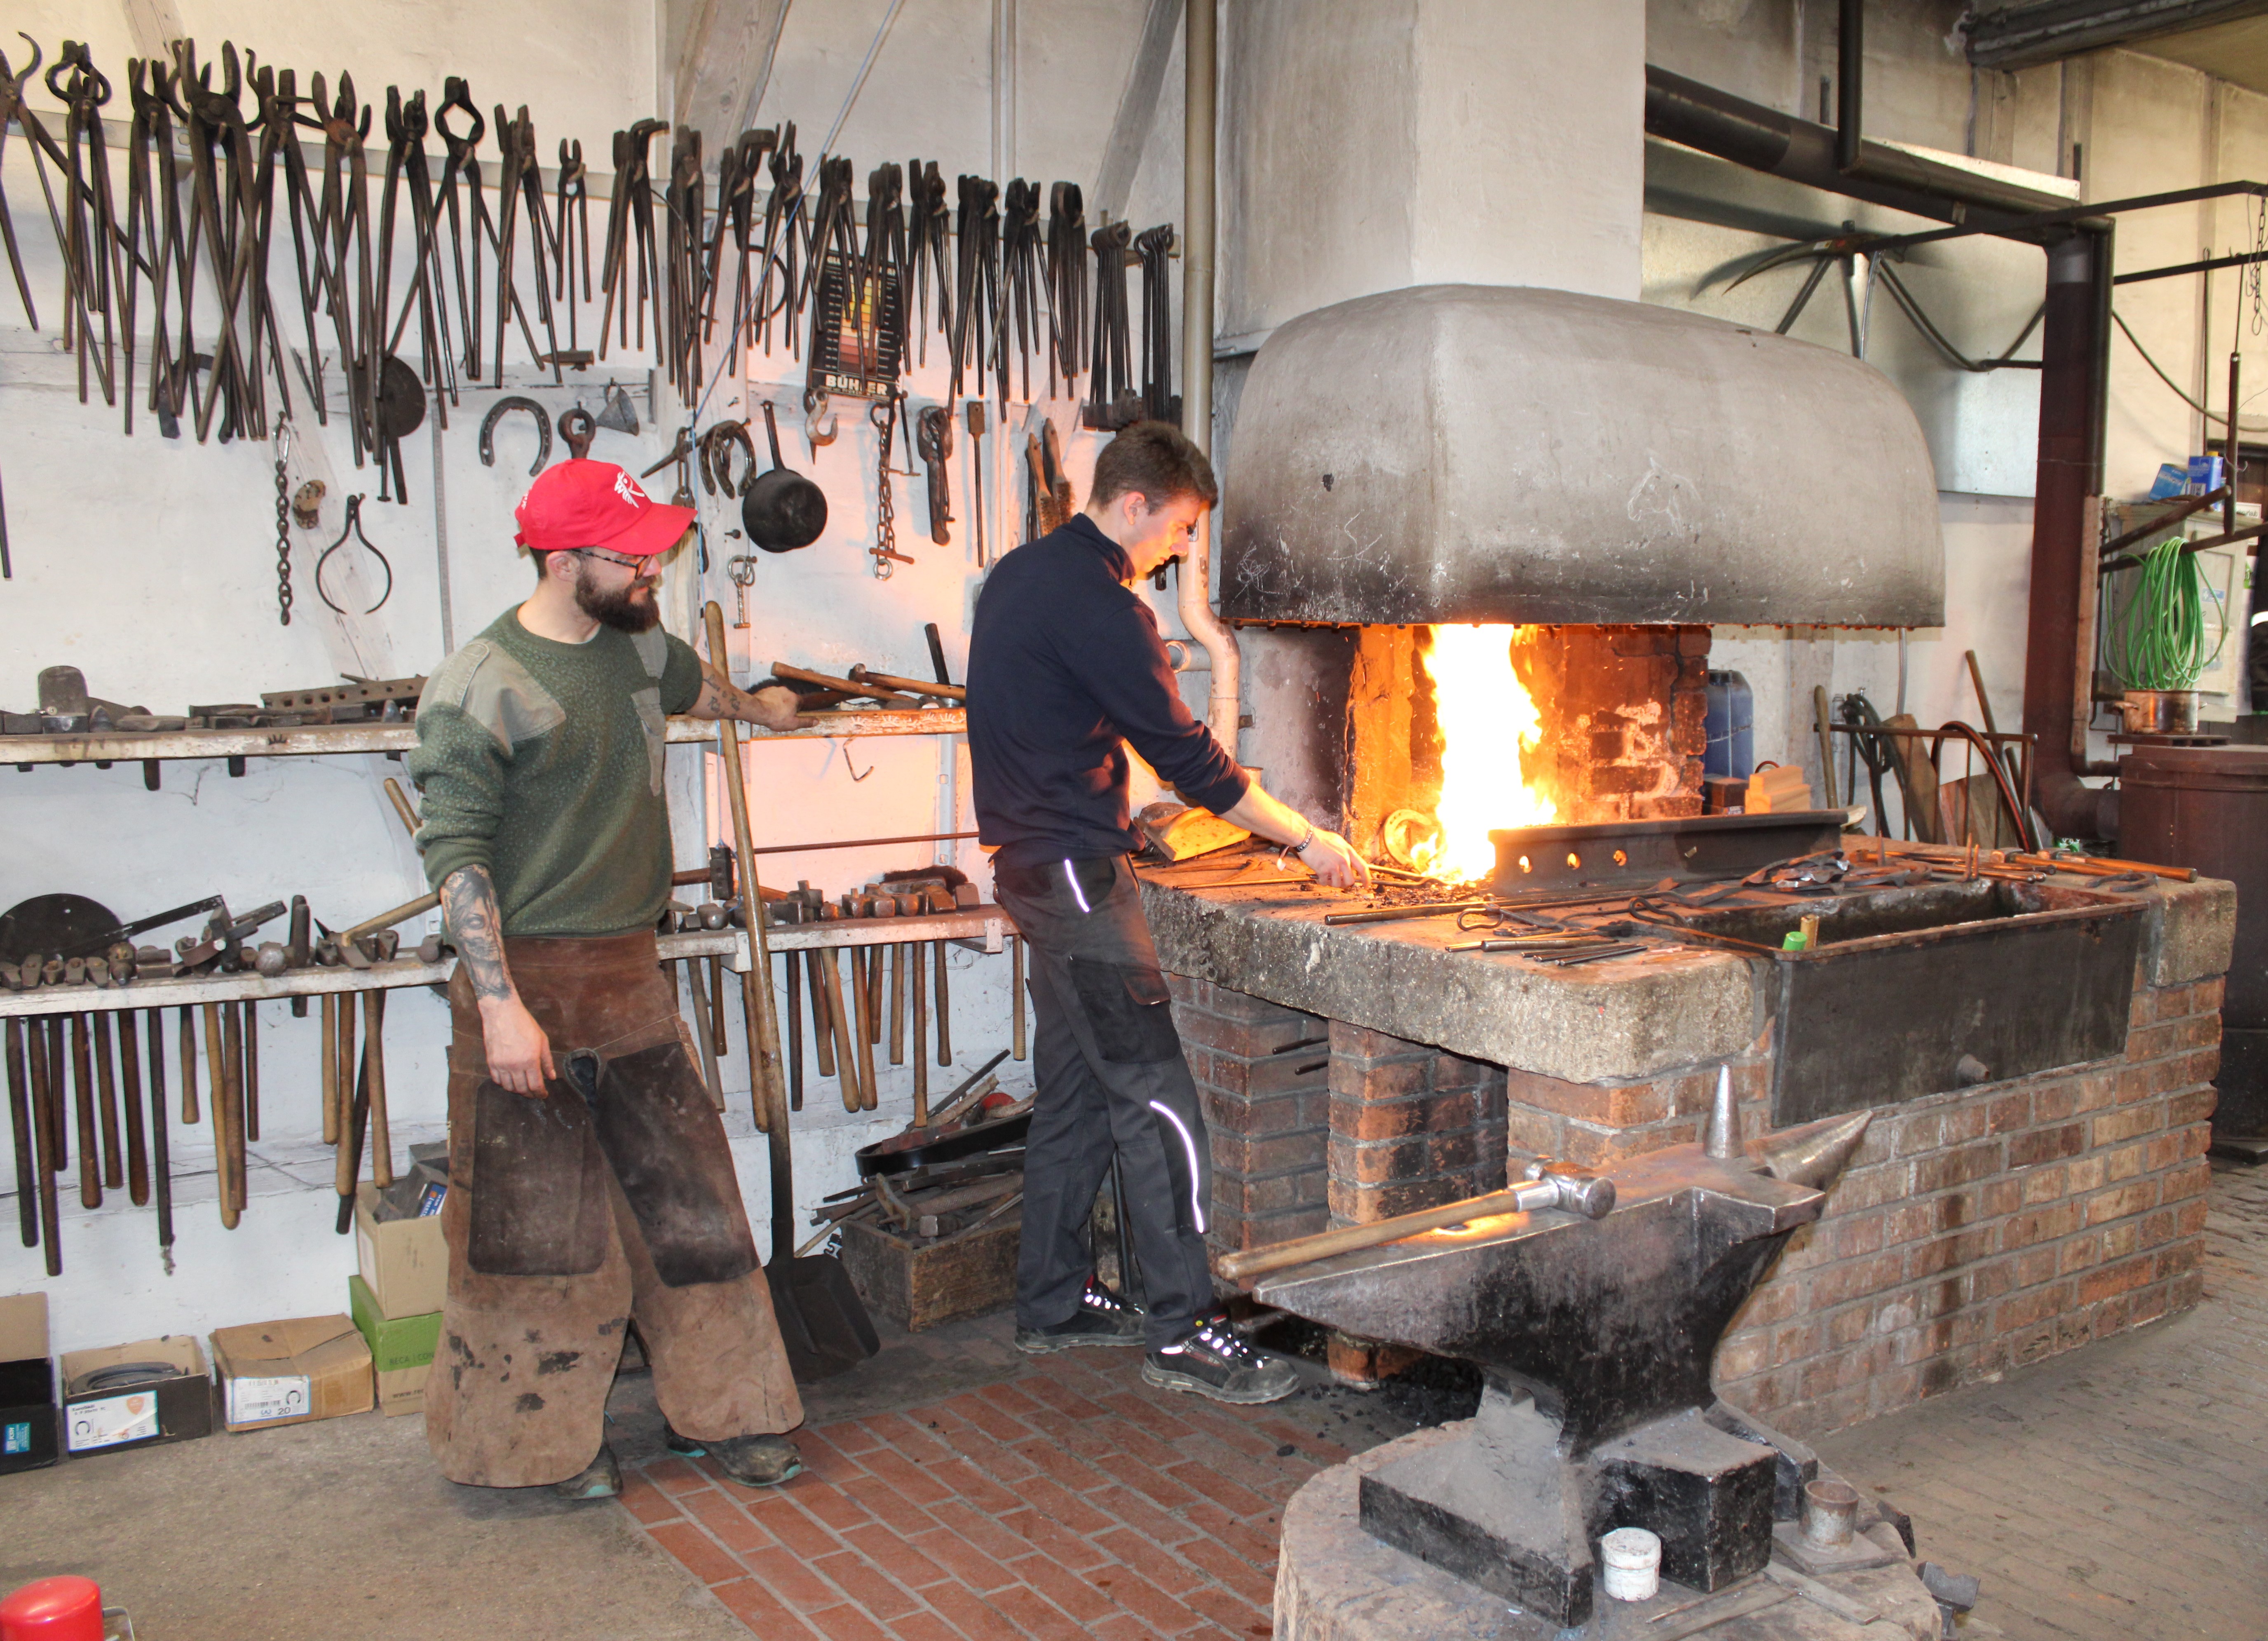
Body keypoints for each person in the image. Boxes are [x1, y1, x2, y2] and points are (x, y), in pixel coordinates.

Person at [407, 458, 810, 1498]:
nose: (651, 570)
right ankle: (532, 1447)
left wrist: (756, 709)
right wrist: (501, 1006)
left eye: (651, 552)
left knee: (693, 1212)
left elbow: (686, 683)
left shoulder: (635, 641)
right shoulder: (480, 684)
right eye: (631, 557)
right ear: (561, 559)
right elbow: (456, 857)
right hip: (525, 982)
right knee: (533, 1234)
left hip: (629, 973)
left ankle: (731, 1411)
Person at [966, 420, 1370, 1405]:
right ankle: (1185, 1329)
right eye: (1183, 527)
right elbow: (1193, 763)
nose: (1184, 547)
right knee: (1158, 1103)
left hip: (1033, 868)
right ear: (1135, 503)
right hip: (1074, 877)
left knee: (1075, 1090)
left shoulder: (1022, 573)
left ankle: (1053, 1299)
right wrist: (1307, 839)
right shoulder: (1103, 607)